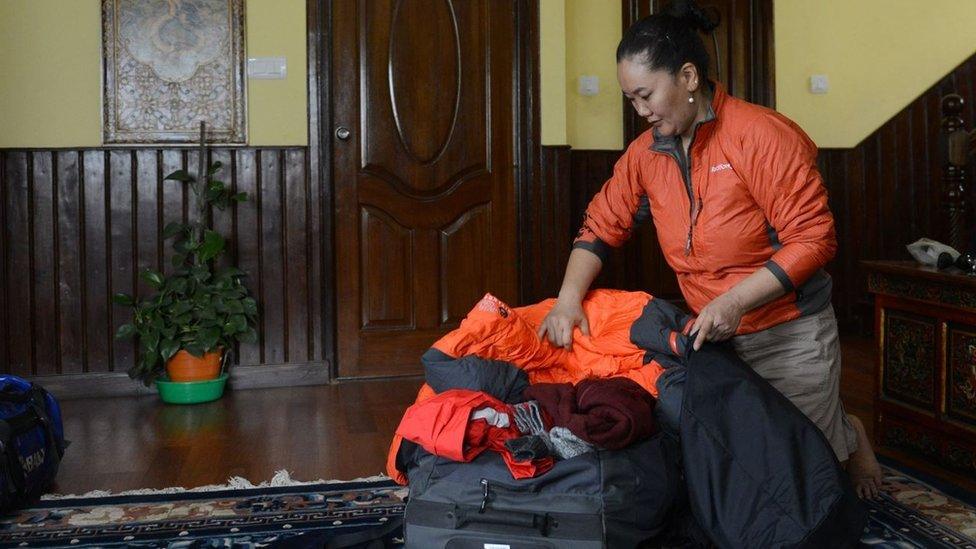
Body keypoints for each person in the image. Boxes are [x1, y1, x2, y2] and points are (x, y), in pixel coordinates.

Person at [536, 0, 882, 498]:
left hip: (787, 329)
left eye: (646, 95)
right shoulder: (645, 154)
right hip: (713, 334)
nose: (640, 111)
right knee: (742, 464)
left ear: (689, 77)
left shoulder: (761, 135)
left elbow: (814, 238)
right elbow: (599, 226)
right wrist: (567, 300)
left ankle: (847, 435)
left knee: (807, 477)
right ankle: (841, 425)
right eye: (630, 99)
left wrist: (735, 301)